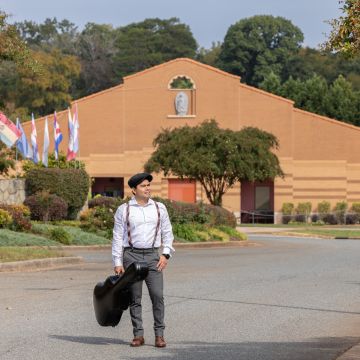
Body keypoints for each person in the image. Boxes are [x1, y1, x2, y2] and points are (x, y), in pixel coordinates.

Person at [112, 172, 174, 348]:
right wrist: (117, 262)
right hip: (131, 255)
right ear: (134, 190)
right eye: (143, 186)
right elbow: (117, 237)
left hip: (153, 256)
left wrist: (166, 254)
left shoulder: (159, 208)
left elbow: (167, 233)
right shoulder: (124, 210)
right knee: (135, 297)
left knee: (157, 296)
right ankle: (138, 334)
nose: (147, 188)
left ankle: (159, 335)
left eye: (148, 185)